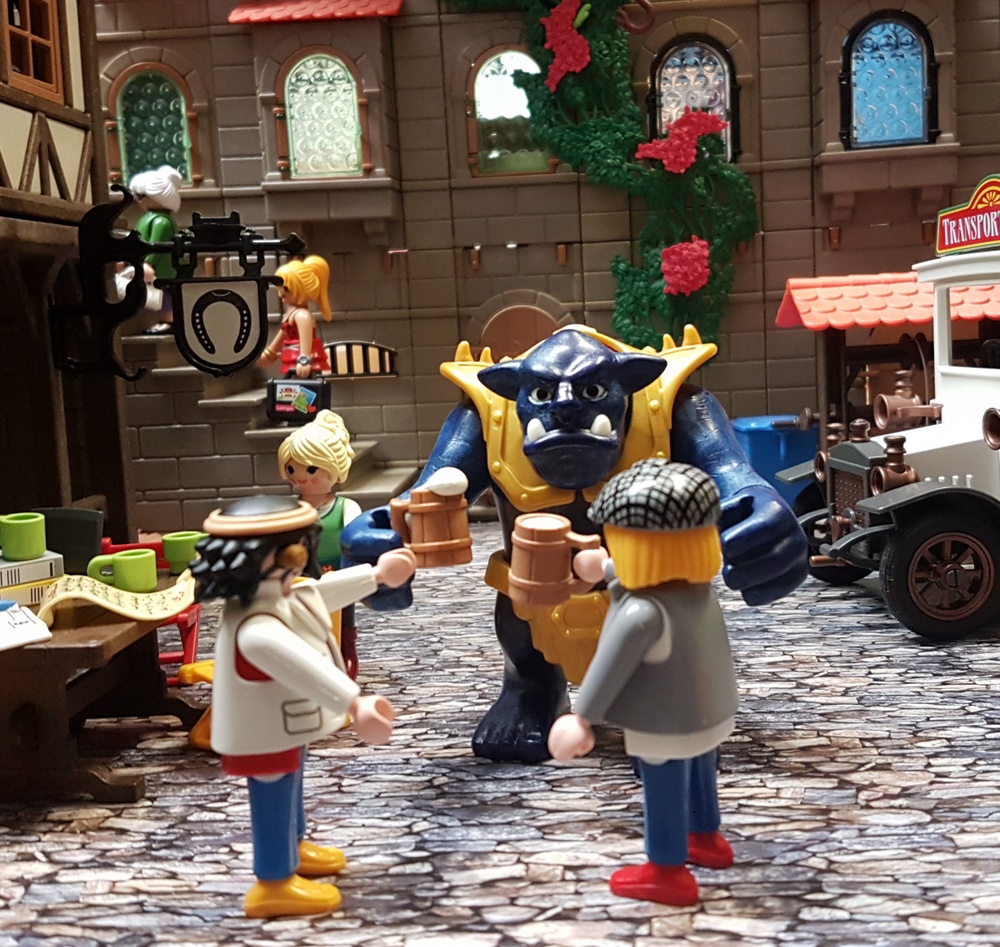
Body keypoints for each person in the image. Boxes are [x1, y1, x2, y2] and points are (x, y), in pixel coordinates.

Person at [193, 495, 415, 918]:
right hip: (263, 730)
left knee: (289, 784)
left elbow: (316, 593)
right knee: (273, 794)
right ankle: (273, 881)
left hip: (284, 723)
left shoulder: (275, 597)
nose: (298, 561)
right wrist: (354, 702)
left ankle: (293, 846)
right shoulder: (257, 628)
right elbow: (305, 668)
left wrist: (375, 576)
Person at [548, 458, 738, 907]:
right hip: (709, 713)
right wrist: (604, 569)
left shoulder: (642, 614)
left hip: (663, 722)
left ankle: (666, 871)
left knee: (664, 786)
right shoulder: (697, 590)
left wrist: (581, 718)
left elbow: (608, 667)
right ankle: (706, 838)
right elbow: (650, 573)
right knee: (700, 770)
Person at [278, 410, 363, 677]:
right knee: (302, 616)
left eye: (311, 469)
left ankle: (346, 647)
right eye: (292, 469)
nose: (300, 477)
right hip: (300, 576)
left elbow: (355, 535)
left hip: (337, 573)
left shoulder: (345, 507)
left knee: (343, 611)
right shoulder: (290, 510)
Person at [259, 255, 333, 378]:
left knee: (299, 387)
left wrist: (304, 360)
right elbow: (283, 333)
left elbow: (306, 340)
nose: (281, 294)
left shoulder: (302, 316)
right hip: (292, 360)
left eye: (286, 289)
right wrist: (269, 354)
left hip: (301, 363)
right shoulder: (293, 313)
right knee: (288, 386)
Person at [129, 165, 183, 334]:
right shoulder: (149, 218)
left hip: (166, 267)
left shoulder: (162, 222)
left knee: (166, 294)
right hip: (154, 265)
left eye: (141, 196)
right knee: (160, 295)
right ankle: (164, 320)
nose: (138, 200)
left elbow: (156, 246)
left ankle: (170, 321)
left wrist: (148, 263)